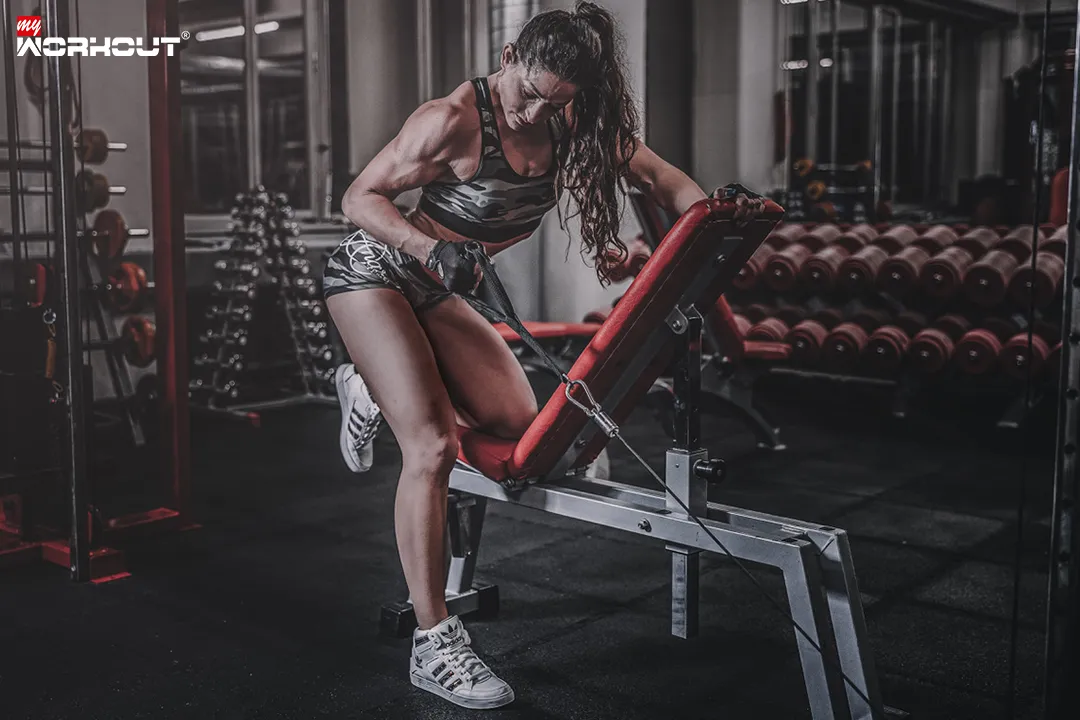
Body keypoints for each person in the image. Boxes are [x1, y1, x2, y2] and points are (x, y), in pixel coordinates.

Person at [323, 1, 765, 710]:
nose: (533, 112)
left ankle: (369, 383)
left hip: (437, 292)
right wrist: (428, 245)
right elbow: (358, 197)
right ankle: (434, 643)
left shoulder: (575, 125)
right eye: (527, 91)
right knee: (433, 446)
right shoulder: (452, 119)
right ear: (506, 59)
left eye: (554, 101)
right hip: (376, 272)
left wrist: (710, 221)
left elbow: (668, 184)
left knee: (516, 417)